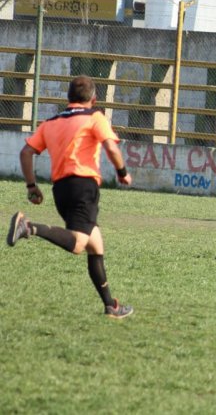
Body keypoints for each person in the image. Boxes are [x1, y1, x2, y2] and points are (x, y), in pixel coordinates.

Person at [6, 75, 134, 318]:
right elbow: (111, 147)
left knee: (96, 245)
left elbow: (26, 152)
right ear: (94, 98)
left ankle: (111, 306)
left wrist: (31, 186)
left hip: (61, 190)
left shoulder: (51, 122)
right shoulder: (95, 117)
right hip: (83, 186)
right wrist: (122, 173)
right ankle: (29, 227)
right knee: (78, 244)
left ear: (68, 98)